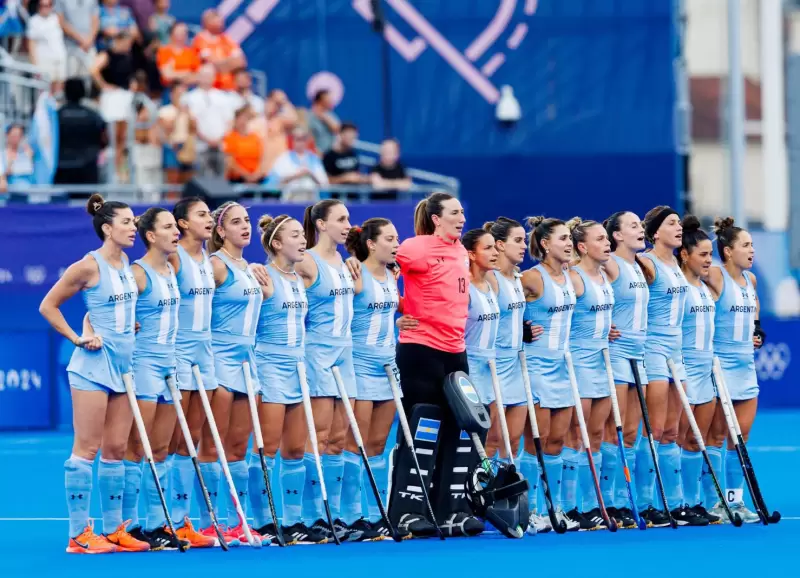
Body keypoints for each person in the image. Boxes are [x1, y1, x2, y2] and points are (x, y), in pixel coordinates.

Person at [39, 194, 148, 553]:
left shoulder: (126, 264)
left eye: (134, 222)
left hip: (123, 367)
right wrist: (77, 337)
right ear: (107, 228)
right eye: (127, 222)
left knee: (116, 450)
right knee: (87, 448)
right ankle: (78, 535)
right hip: (92, 368)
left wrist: (126, 325)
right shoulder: (87, 266)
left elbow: (114, 310)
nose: (134, 228)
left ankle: (115, 529)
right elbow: (48, 306)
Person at [388, 191, 487, 538]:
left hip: (455, 351)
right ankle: (407, 510)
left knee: (458, 427)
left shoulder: (460, 250)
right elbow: (381, 271)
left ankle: (448, 508)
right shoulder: (415, 247)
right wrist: (397, 311)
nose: (462, 217)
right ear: (436, 219)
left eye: (462, 211)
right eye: (454, 213)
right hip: (421, 350)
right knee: (422, 428)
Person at [249, 214, 327, 545]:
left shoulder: (298, 277)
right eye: (296, 235)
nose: (303, 240)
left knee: (295, 449)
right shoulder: (261, 275)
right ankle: (264, 521)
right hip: (269, 367)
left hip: (298, 369)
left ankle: (293, 521)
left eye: (303, 234)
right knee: (265, 449)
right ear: (277, 244)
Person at [119, 208, 194, 549]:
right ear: (150, 236)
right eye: (167, 227)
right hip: (144, 365)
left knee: (161, 449)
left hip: (170, 367)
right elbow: (104, 310)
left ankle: (155, 525)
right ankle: (126, 526)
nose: (175, 232)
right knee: (138, 448)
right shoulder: (137, 272)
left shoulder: (171, 269)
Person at [202, 201, 268, 545]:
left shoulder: (249, 267)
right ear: (220, 230)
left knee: (239, 448)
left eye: (247, 221)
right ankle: (207, 522)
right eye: (237, 222)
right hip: (220, 361)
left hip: (247, 362)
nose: (245, 227)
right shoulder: (215, 266)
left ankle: (237, 521)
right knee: (212, 446)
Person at [295, 199, 359, 541]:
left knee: (338, 438)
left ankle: (333, 514)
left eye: (348, 218)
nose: (348, 224)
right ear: (321, 224)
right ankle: (310, 515)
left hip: (345, 352)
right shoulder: (306, 260)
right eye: (341, 219)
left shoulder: (347, 262)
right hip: (318, 350)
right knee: (317, 436)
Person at [340, 218, 407, 541]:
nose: (397, 244)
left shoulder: (393, 277)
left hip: (386, 366)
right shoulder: (353, 273)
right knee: (356, 444)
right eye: (390, 239)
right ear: (371, 244)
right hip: (359, 364)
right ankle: (349, 515)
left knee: (378, 444)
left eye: (397, 238)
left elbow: (386, 316)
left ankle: (375, 511)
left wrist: (401, 324)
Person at [165, 197, 223, 547]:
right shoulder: (175, 258)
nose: (209, 219)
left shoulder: (210, 260)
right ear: (182, 223)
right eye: (201, 214)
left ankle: (185, 521)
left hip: (206, 352)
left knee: (195, 440)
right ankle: (166, 520)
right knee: (172, 440)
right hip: (179, 351)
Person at [520, 217, 580, 533]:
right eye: (562, 239)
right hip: (536, 367)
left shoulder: (571, 275)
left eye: (570, 238)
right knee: (538, 441)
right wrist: (521, 329)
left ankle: (551, 508)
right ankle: (529, 510)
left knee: (558, 440)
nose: (569, 243)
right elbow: (499, 296)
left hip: (563, 367)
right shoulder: (531, 278)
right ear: (545, 244)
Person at [703, 217, 763, 524]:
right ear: (727, 251)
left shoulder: (750, 282)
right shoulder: (714, 275)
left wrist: (757, 333)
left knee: (741, 437)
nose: (752, 250)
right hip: (719, 365)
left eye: (752, 244)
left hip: (745, 366)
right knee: (715, 436)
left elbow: (755, 318)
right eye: (746, 245)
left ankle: (734, 501)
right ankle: (712, 502)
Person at [635, 206, 691, 527]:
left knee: (672, 432)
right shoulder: (646, 263)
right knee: (653, 430)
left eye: (679, 222)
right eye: (672, 223)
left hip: (677, 352)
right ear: (656, 232)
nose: (678, 227)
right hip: (653, 350)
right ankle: (645, 503)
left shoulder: (678, 264)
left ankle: (674, 503)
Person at [600, 211, 650, 528]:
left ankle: (622, 499)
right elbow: (583, 282)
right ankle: (605, 503)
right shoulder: (611, 264)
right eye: (633, 226)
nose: (640, 229)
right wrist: (602, 326)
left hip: (639, 353)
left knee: (631, 433)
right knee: (611, 431)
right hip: (616, 353)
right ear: (617, 235)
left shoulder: (639, 266)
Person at [676, 215, 720, 525]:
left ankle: (697, 502)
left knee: (698, 440)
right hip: (684, 368)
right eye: (702, 254)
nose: (708, 260)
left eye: (710, 254)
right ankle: (676, 501)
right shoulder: (677, 288)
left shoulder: (705, 286)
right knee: (679, 438)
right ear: (685, 254)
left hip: (707, 368)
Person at [462, 228, 500, 433]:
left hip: (491, 366)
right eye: (488, 248)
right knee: (470, 438)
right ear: (471, 254)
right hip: (469, 368)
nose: (495, 252)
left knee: (491, 438)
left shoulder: (491, 284)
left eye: (495, 247)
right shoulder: (463, 288)